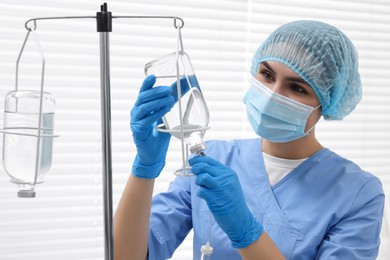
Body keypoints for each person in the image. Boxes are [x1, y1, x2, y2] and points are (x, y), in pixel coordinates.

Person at [114, 20, 385, 259]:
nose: (272, 94)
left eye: (297, 87)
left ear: (327, 101)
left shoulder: (357, 193)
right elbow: (127, 256)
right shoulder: (211, 159)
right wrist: (144, 169)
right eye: (267, 75)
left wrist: (245, 231)